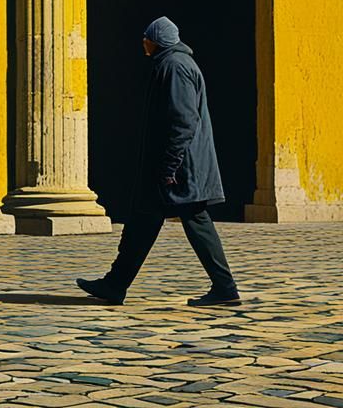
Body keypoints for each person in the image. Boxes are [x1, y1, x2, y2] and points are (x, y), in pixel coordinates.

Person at [77, 16, 240, 307]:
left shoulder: (174, 67)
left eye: (147, 37)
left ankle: (225, 288)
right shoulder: (172, 64)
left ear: (157, 39)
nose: (143, 41)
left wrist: (169, 166)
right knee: (142, 220)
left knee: (196, 222)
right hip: (173, 166)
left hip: (180, 168)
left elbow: (183, 121)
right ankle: (115, 284)